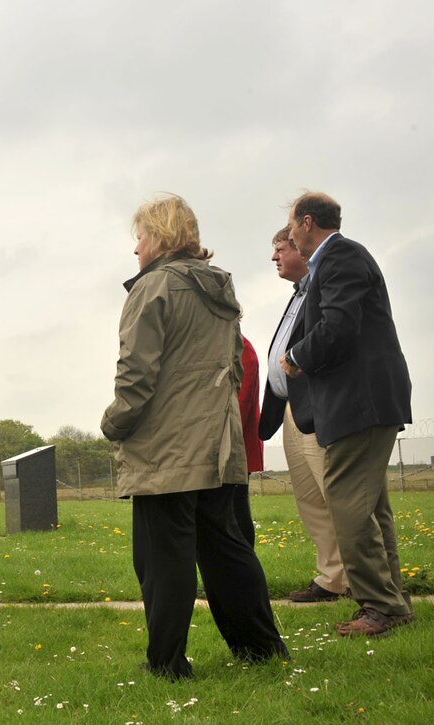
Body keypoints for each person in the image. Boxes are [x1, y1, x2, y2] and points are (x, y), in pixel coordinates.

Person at [101, 194, 289, 679]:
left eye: (139, 237)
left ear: (159, 236)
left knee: (163, 560)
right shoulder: (220, 290)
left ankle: (166, 663)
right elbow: (232, 367)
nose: (135, 249)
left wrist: (113, 423)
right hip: (218, 445)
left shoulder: (153, 288)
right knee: (227, 551)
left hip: (166, 450)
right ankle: (262, 651)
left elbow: (136, 375)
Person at [280, 192, 413, 637]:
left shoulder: (339, 257)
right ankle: (391, 600)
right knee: (371, 507)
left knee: (348, 503)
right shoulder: (338, 259)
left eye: (292, 226)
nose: (290, 234)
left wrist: (296, 355)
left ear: (307, 221)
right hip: (366, 399)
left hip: (361, 401)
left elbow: (337, 327)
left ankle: (380, 606)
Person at [259, 226, 349, 602]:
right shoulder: (298, 294)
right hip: (292, 409)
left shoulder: (322, 288)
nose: (274, 257)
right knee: (310, 499)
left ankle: (361, 579)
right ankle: (332, 578)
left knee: (336, 495)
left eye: (280, 248)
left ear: (299, 247)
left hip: (318, 406)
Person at [233, 336, 263, 547]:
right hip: (224, 444)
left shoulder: (243, 349)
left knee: (237, 511)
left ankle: (244, 565)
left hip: (236, 447)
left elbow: (240, 405)